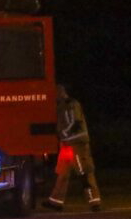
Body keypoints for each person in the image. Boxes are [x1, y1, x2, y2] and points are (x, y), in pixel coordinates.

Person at [43, 84, 102, 212]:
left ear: (61, 92)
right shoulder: (62, 105)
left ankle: (94, 201)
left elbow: (73, 122)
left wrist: (62, 134)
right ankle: (56, 202)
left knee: (85, 172)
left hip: (76, 143)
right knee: (63, 173)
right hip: (67, 144)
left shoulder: (70, 104)